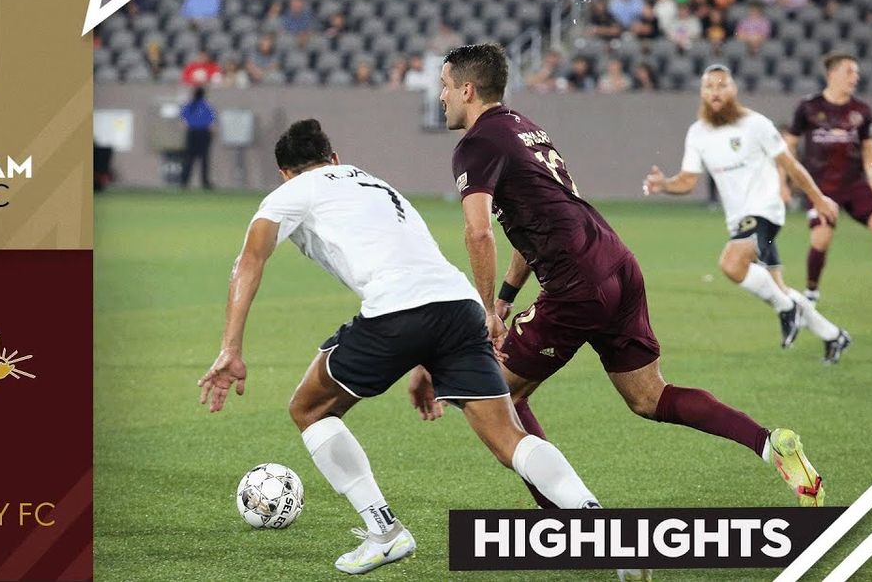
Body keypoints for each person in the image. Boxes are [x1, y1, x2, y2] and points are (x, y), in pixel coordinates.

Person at [198, 120, 627, 575]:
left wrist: (230, 348)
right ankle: (605, 533)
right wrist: (428, 358)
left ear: (285, 173)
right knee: (509, 438)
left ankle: (384, 532)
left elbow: (249, 259)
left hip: (398, 311)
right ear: (336, 158)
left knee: (310, 409)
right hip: (459, 306)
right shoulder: (377, 185)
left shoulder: (290, 193)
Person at [439, 43, 826, 513]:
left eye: (444, 86)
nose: (441, 97)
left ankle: (572, 517)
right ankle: (771, 444)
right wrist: (504, 299)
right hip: (618, 264)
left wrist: (485, 311)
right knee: (648, 396)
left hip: (576, 283)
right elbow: (539, 221)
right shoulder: (528, 130)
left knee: (491, 393)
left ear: (467, 88)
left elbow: (478, 230)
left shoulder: (477, 144)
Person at [644, 65, 851, 364]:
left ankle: (786, 309)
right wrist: (664, 184)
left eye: (721, 85)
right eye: (709, 87)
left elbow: (791, 165)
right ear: (702, 93)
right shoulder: (698, 133)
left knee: (731, 264)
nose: (715, 92)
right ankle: (833, 336)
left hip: (765, 211)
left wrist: (818, 199)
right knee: (778, 287)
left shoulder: (756, 125)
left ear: (733, 89)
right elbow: (688, 181)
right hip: (738, 221)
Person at [786, 53, 872, 310]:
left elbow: (868, 149)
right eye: (849, 72)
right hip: (821, 188)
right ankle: (811, 294)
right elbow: (790, 145)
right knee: (821, 239)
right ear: (832, 74)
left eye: (856, 72)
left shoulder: (861, 111)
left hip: (854, 184)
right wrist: (787, 180)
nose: (855, 77)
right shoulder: (808, 107)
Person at [179, 87, 216, 190]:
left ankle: (184, 181)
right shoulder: (207, 106)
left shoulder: (189, 106)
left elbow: (183, 120)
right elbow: (211, 123)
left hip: (192, 133)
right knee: (204, 159)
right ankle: (205, 182)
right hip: (203, 133)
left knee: (189, 158)